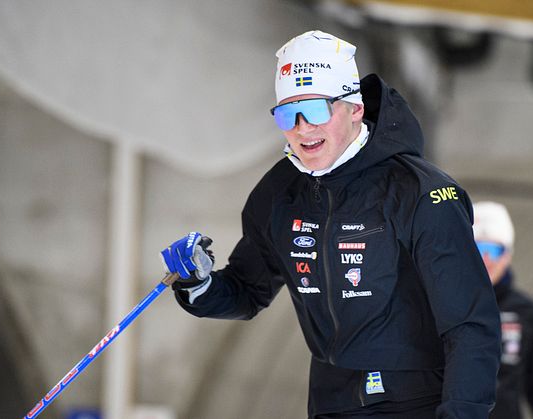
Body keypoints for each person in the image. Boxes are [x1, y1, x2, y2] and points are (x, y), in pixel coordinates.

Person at [161, 30, 501, 418]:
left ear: (354, 108)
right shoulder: (278, 195)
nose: (304, 128)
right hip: (331, 401)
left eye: (317, 110)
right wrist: (198, 282)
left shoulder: (419, 193)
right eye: (288, 114)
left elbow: (471, 324)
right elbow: (247, 292)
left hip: (418, 401)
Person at [472, 201, 533, 419]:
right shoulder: (445, 306)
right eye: (479, 249)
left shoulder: (527, 311)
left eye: (494, 250)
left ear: (508, 254)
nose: (486, 259)